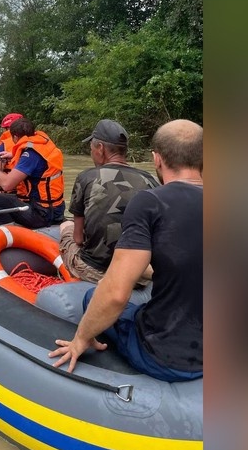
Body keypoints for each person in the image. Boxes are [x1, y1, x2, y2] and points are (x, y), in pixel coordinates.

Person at [49, 119, 202, 382]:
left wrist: (80, 340)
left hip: (167, 357)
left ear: (157, 159)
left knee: (92, 296)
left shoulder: (150, 204)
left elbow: (116, 294)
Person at [59, 119, 159, 284]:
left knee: (65, 226)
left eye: (91, 147)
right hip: (138, 273)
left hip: (97, 270)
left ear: (100, 148)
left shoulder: (86, 177)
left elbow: (78, 239)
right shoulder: (150, 179)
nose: (91, 152)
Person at [0, 117, 65, 229]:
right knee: (6, 196)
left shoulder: (29, 156)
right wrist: (13, 155)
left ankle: (11, 235)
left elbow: (7, 184)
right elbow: (35, 161)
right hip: (55, 209)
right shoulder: (41, 145)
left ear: (15, 137)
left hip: (43, 214)